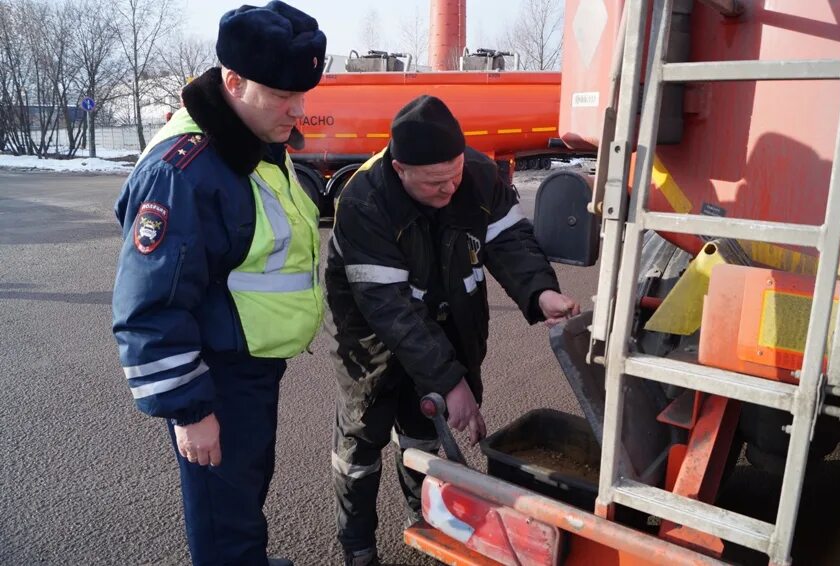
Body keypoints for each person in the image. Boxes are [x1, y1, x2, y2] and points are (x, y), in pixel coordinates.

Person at [110, 3, 326, 565]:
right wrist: (189, 409)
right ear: (233, 81)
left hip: (250, 367)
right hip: (215, 376)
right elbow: (149, 306)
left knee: (243, 493)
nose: (298, 110)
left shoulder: (253, 142)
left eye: (302, 93)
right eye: (283, 95)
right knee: (222, 516)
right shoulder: (185, 170)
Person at [325, 95, 580, 566]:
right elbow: (390, 310)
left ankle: (423, 520)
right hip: (372, 339)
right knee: (361, 442)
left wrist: (541, 292)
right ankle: (358, 547)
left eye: (455, 175)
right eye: (436, 183)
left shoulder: (479, 176)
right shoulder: (364, 199)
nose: (449, 190)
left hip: (447, 319)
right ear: (400, 169)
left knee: (425, 431)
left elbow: (508, 241)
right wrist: (450, 380)